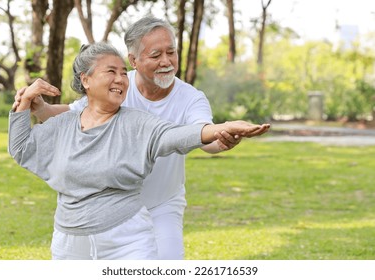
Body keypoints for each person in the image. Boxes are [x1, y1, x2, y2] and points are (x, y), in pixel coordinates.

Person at [14, 16, 264, 259]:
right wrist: (39, 109)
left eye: (171, 52)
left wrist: (220, 137)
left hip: (161, 201)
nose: (166, 61)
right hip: (113, 204)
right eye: (156, 55)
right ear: (134, 60)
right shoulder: (117, 85)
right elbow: (75, 114)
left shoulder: (190, 98)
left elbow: (195, 132)